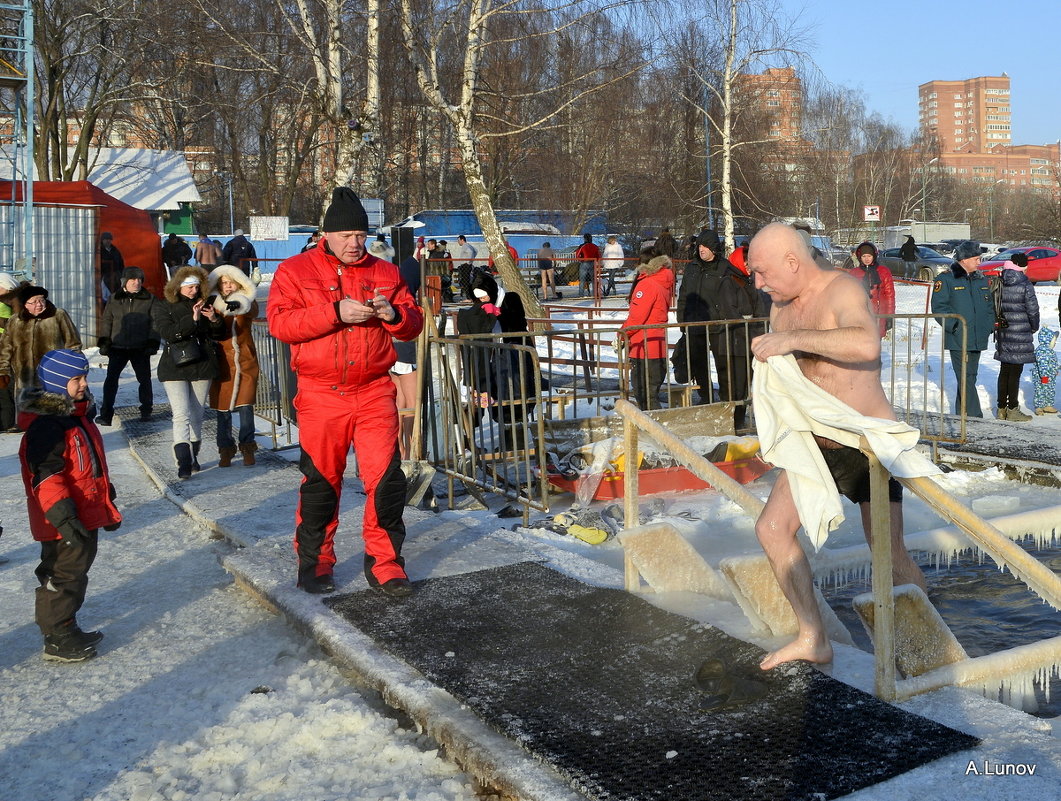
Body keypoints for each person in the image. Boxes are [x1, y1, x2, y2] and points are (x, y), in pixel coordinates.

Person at [746, 223, 926, 670]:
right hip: (816, 444)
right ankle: (813, 636)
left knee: (887, 550)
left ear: (793, 261)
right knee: (771, 529)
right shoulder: (780, 308)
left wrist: (791, 340)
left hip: (866, 444)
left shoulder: (842, 289)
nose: (758, 283)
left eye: (762, 272)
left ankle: (922, 642)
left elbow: (865, 342)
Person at [267, 187, 423, 598]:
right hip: (321, 393)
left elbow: (413, 324)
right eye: (346, 236)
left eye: (361, 235)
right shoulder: (294, 271)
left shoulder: (387, 273)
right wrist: (334, 313)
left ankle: (386, 563)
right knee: (322, 481)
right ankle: (316, 561)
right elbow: (281, 326)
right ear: (326, 234)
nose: (355, 244)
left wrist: (395, 314)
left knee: (387, 481)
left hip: (374, 390)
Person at [19, 349, 121, 662]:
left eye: (85, 377)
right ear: (56, 383)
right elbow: (46, 476)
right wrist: (62, 516)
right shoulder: (48, 426)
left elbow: (88, 465)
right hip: (62, 518)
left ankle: (66, 624)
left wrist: (106, 495)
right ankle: (57, 636)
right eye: (75, 379)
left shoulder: (78, 417)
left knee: (75, 571)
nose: (83, 384)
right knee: (63, 574)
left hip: (83, 512)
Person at [675, 229, 763, 430]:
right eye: (700, 246)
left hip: (717, 326)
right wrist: (681, 318)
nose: (702, 250)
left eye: (706, 246)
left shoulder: (725, 268)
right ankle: (705, 396)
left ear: (714, 248)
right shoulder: (692, 268)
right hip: (694, 323)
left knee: (723, 365)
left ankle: (726, 404)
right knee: (697, 363)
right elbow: (684, 294)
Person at [152, 266, 223, 478]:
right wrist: (192, 320)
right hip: (175, 366)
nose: (193, 291)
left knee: (197, 413)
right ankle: (183, 461)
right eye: (189, 287)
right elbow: (168, 333)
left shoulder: (205, 304)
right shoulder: (165, 306)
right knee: (181, 414)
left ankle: (193, 456)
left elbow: (217, 334)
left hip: (202, 364)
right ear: (179, 287)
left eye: (196, 287)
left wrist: (213, 320)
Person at [930, 240, 994, 418]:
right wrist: (955, 326)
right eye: (976, 259)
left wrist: (989, 325)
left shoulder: (980, 279)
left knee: (970, 377)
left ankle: (961, 414)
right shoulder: (946, 279)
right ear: (964, 259)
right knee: (965, 377)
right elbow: (939, 308)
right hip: (959, 337)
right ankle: (975, 416)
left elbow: (989, 307)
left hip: (978, 335)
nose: (979, 262)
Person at [205, 266, 261, 466]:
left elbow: (251, 310)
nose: (227, 286)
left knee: (246, 407)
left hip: (245, 360)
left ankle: (247, 447)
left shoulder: (246, 300)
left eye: (231, 282)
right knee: (223, 409)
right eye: (224, 283)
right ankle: (225, 449)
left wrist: (239, 304)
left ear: (238, 283)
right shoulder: (212, 302)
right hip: (222, 361)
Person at [96, 266, 161, 425]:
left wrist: (152, 342)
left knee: (144, 380)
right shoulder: (114, 299)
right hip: (118, 347)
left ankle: (146, 410)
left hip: (140, 348)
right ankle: (106, 414)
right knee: (111, 380)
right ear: (125, 281)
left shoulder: (150, 299)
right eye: (133, 279)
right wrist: (105, 341)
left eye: (139, 279)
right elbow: (107, 321)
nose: (136, 282)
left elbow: (156, 323)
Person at [0, 285, 82, 404]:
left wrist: (71, 370)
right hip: (25, 379)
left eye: (41, 300)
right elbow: (5, 349)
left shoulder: (58, 315)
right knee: (27, 415)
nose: (39, 304)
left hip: (54, 377)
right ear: (25, 304)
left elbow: (73, 344)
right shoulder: (15, 321)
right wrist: (3, 372)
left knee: (53, 412)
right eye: (34, 302)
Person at [619, 255, 674, 410]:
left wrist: (622, 333)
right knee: (651, 393)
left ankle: (652, 430)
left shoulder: (647, 284)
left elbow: (637, 317)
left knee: (644, 394)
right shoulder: (663, 282)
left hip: (642, 346)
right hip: (657, 343)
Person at [992, 252, 1039, 421]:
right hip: (1020, 332)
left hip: (1004, 331)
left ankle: (1001, 409)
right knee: (1015, 372)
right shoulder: (1025, 283)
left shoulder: (1001, 279)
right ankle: (1012, 409)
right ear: (1023, 267)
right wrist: (1034, 327)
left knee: (1004, 371)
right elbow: (1033, 309)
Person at [847, 242, 896, 338]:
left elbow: (890, 296)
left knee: (874, 347)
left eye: (869, 256)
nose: (866, 259)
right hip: (859, 315)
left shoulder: (883, 272)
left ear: (874, 255)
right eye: (864, 256)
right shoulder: (854, 273)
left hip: (879, 315)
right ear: (859, 257)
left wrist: (890, 316)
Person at [0, 272, 22, 431]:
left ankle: (8, 421)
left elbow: (14, 323)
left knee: (7, 385)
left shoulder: (11, 302)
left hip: (6, 347)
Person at [1032, 328, 1059, 415]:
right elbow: (1042, 365)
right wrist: (1044, 376)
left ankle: (1048, 405)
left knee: (1050, 390)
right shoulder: (1042, 351)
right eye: (1053, 341)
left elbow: (1052, 363)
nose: (1055, 343)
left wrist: (1055, 370)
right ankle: (1039, 407)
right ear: (1048, 341)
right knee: (1041, 391)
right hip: (1042, 377)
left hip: (1050, 376)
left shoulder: (1050, 351)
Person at [99, 232, 125, 302]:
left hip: (115, 277)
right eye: (106, 239)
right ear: (102, 240)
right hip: (104, 277)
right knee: (105, 296)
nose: (108, 241)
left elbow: (121, 263)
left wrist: (121, 274)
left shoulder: (115, 251)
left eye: (109, 239)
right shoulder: (99, 251)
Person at [453, 234, 477, 300]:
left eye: (458, 240)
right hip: (466, 265)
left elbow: (471, 251)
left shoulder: (465, 246)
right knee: (465, 280)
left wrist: (468, 261)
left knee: (465, 281)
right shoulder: (468, 245)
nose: (458, 242)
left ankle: (468, 297)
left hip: (465, 265)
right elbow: (475, 251)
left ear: (462, 240)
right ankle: (468, 296)